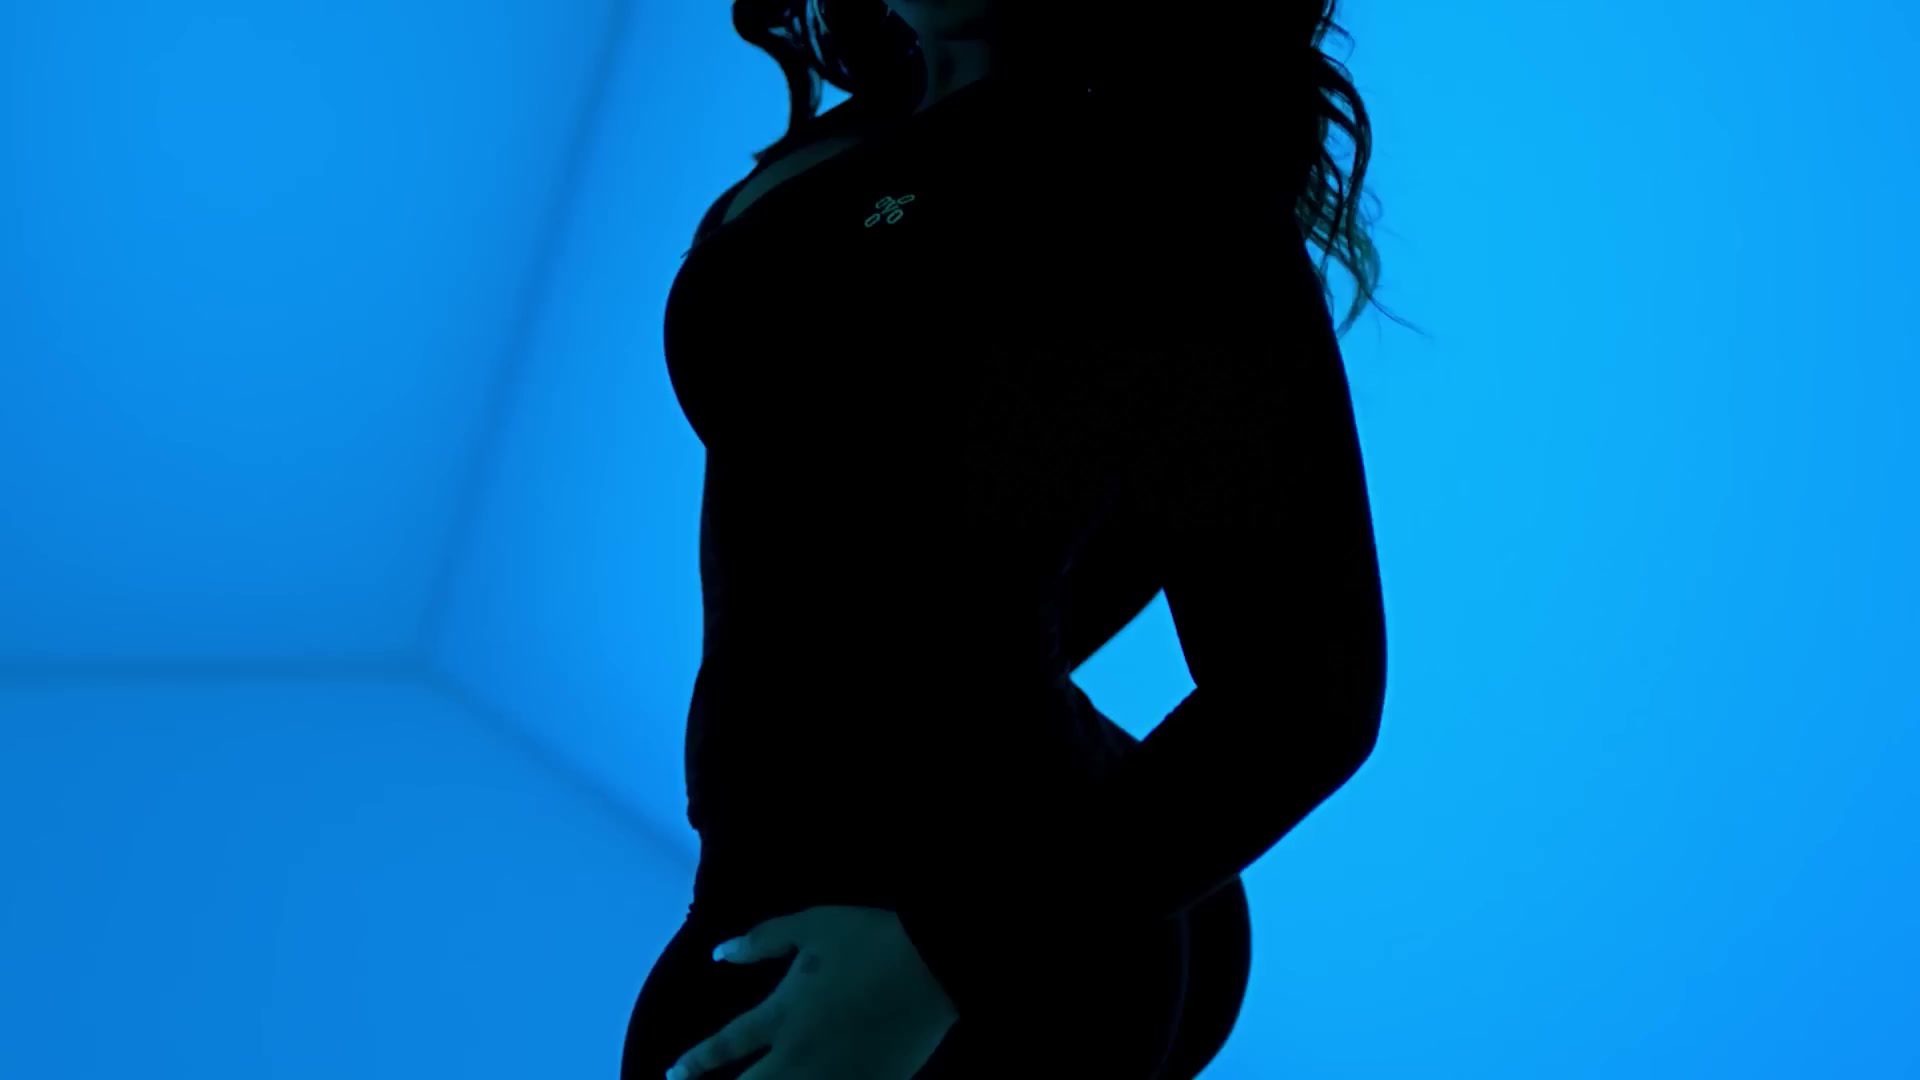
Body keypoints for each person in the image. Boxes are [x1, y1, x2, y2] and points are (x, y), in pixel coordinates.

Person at [624, 0, 1406, 1076]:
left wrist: (948, 958)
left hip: (950, 932)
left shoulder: (1161, 195)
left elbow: (1307, 694)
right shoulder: (885, 116)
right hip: (819, 880)